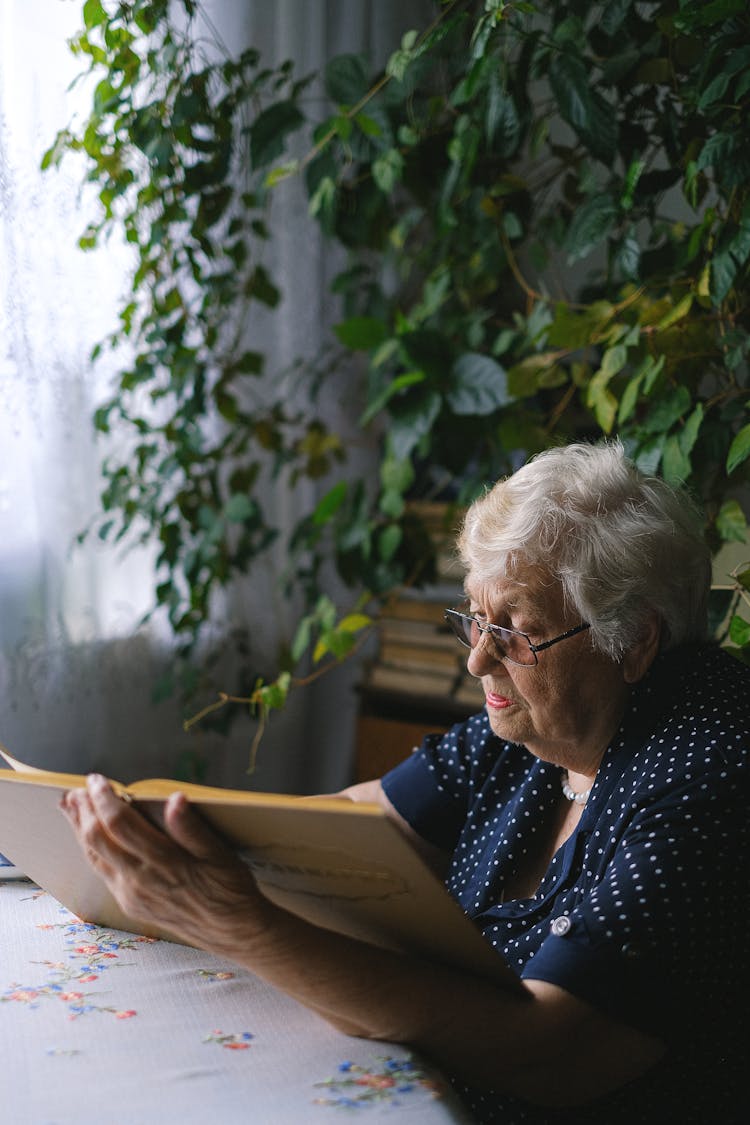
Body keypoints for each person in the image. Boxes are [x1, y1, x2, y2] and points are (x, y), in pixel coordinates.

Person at [60, 440, 749, 1124]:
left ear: (633, 640)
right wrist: (148, 828)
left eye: (515, 631)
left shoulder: (711, 772)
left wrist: (240, 925)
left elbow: (552, 1052)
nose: (479, 658)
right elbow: (357, 824)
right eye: (475, 620)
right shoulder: (542, 723)